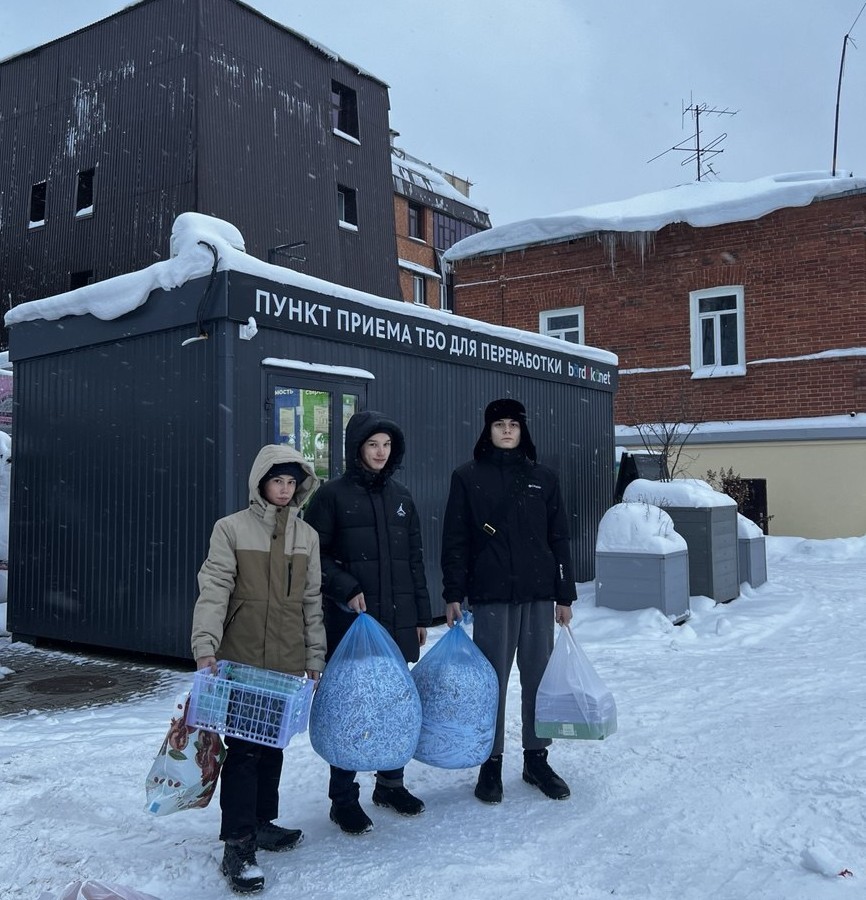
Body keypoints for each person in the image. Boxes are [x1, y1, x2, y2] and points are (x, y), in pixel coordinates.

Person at [191, 445, 325, 894]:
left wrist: (314, 658)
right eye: (277, 481)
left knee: (272, 748)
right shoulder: (230, 529)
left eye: (292, 482)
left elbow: (311, 602)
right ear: (260, 482)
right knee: (245, 752)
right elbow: (213, 590)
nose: (285, 490)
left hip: (286, 660)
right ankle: (238, 843)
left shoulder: (306, 536)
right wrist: (205, 646)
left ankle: (262, 822)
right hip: (243, 658)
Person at [441, 398, 576, 804]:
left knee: (538, 681)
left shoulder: (544, 478)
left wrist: (564, 594)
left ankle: (537, 759)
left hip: (537, 596)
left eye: (513, 425)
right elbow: (455, 538)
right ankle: (491, 763)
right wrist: (452, 592)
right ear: (488, 430)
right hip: (492, 597)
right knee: (491, 684)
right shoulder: (467, 477)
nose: (506, 431)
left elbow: (560, 539)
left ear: (522, 430)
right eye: (499, 424)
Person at [304, 410, 432, 836]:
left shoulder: (402, 497)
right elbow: (312, 557)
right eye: (373, 444)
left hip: (396, 621)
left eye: (387, 445)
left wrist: (419, 613)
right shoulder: (331, 497)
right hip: (351, 624)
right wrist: (344, 585)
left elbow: (414, 561)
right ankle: (343, 799)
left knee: (394, 703)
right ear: (358, 448)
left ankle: (390, 785)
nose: (381, 452)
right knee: (353, 709)